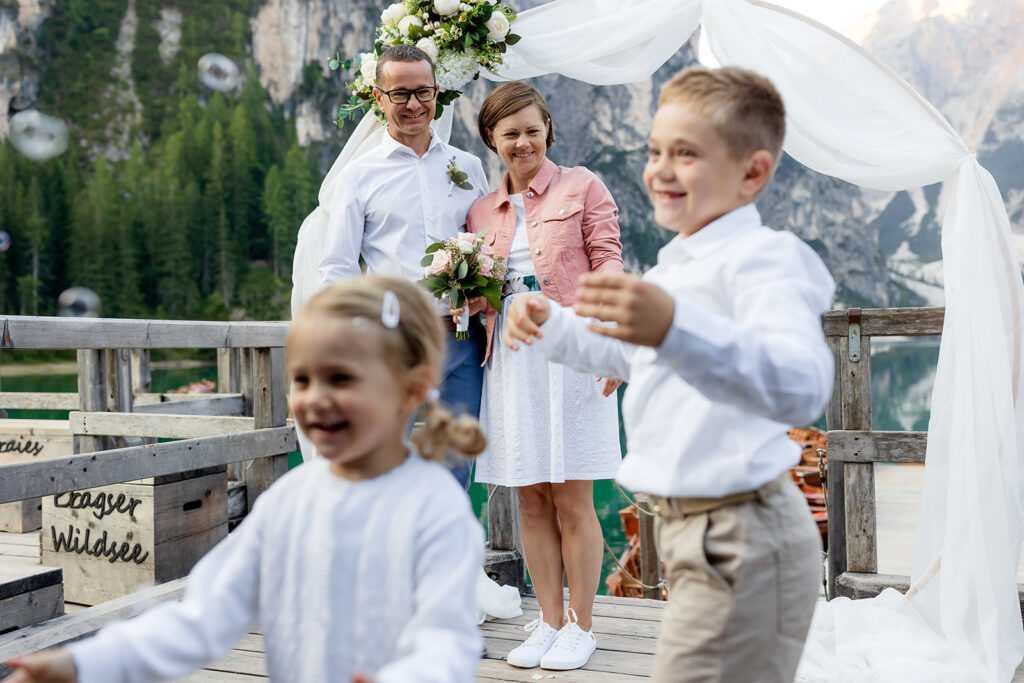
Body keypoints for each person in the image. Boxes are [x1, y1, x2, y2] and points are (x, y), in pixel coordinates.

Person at [503, 66, 835, 682]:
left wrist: (673, 326)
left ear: (753, 172)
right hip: (689, 532)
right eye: (656, 150)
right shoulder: (673, 268)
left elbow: (804, 384)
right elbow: (628, 357)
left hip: (743, 531)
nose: (659, 168)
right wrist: (552, 325)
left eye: (686, 154)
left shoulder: (766, 260)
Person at [3, 276, 487, 683]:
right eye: (302, 379)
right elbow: (202, 617)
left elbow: (447, 641)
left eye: (341, 379)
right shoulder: (292, 499)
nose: (315, 398)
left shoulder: (434, 507)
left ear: (412, 388)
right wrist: (82, 662)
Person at [454, 81, 623, 671]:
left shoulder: (582, 186)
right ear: (491, 141)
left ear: (548, 127)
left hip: (572, 349)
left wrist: (610, 346)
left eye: (532, 129)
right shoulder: (480, 210)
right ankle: (549, 621)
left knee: (574, 497)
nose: (523, 141)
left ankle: (582, 624)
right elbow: (479, 296)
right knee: (530, 496)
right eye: (510, 133)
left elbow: (608, 263)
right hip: (512, 358)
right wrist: (462, 299)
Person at [317, 44, 489, 489]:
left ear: (437, 93)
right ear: (379, 98)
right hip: (394, 342)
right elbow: (337, 267)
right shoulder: (359, 176)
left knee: (455, 460)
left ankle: (447, 558)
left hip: (463, 339)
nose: (414, 104)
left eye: (423, 92)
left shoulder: (467, 167)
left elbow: (491, 243)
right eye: (400, 94)